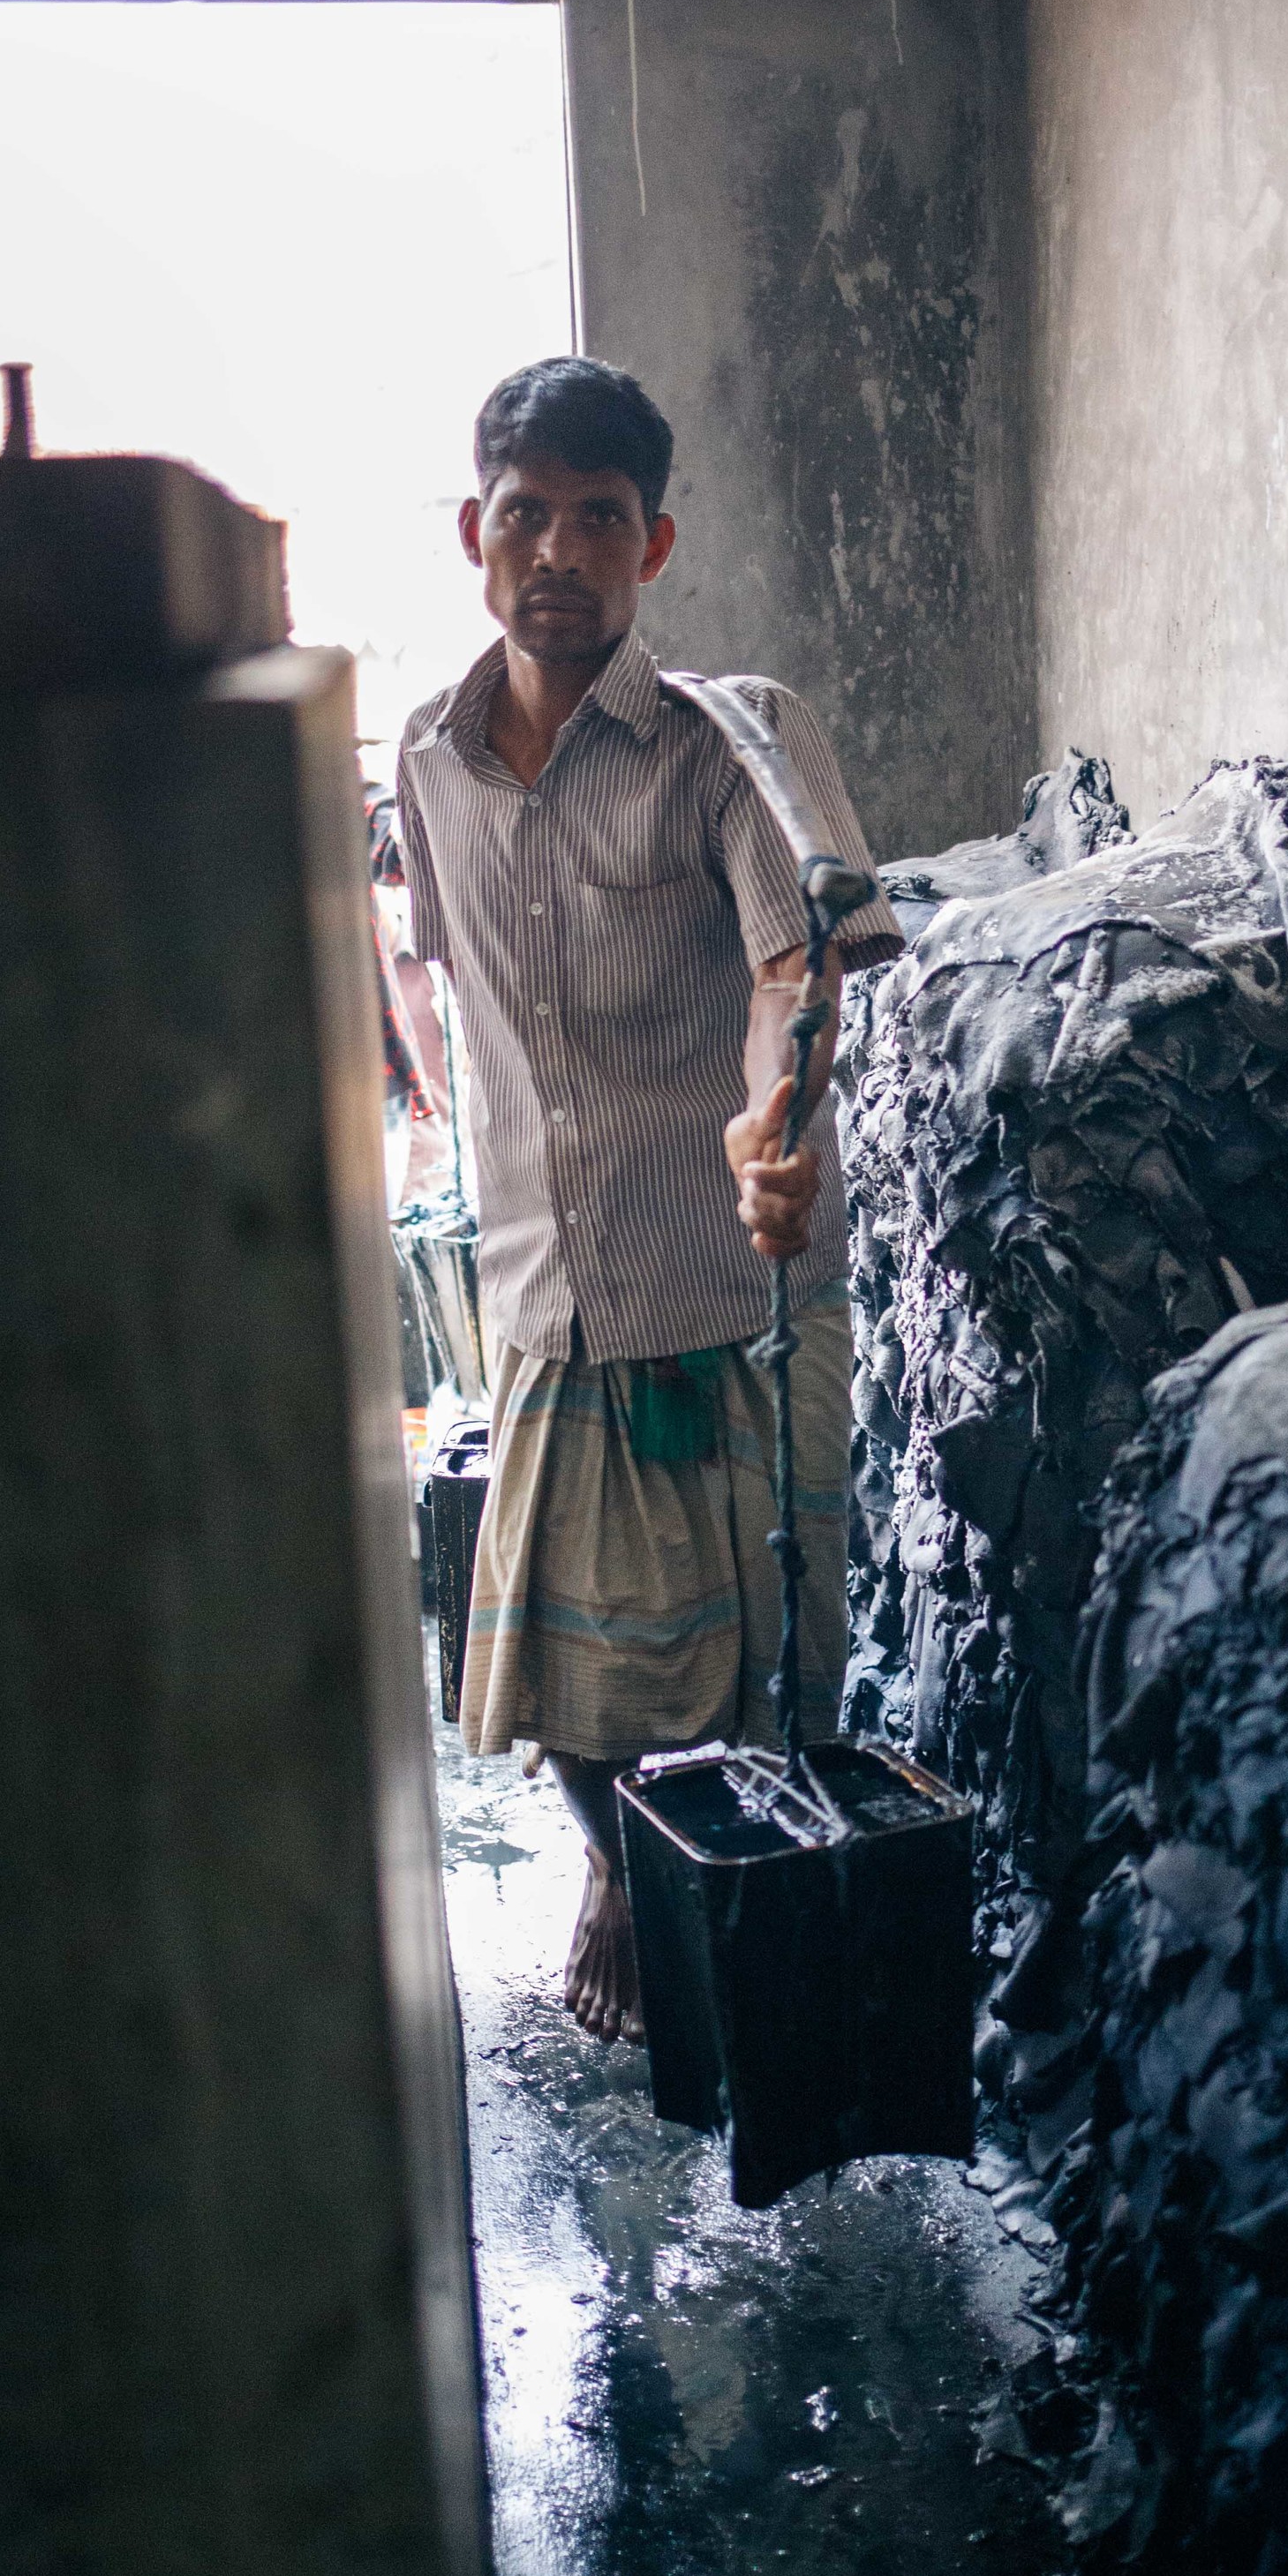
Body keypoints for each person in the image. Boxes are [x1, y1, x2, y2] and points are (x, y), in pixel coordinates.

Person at [396, 357, 903, 2041]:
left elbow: (793, 959)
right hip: (549, 1272)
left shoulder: (728, 740)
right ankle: (618, 1869)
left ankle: (743, 1898)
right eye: (525, 514)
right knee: (569, 1657)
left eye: (597, 519)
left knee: (763, 1645)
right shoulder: (430, 761)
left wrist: (779, 1116)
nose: (559, 548)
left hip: (724, 1277)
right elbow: (456, 992)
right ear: (476, 534)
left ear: (653, 546)